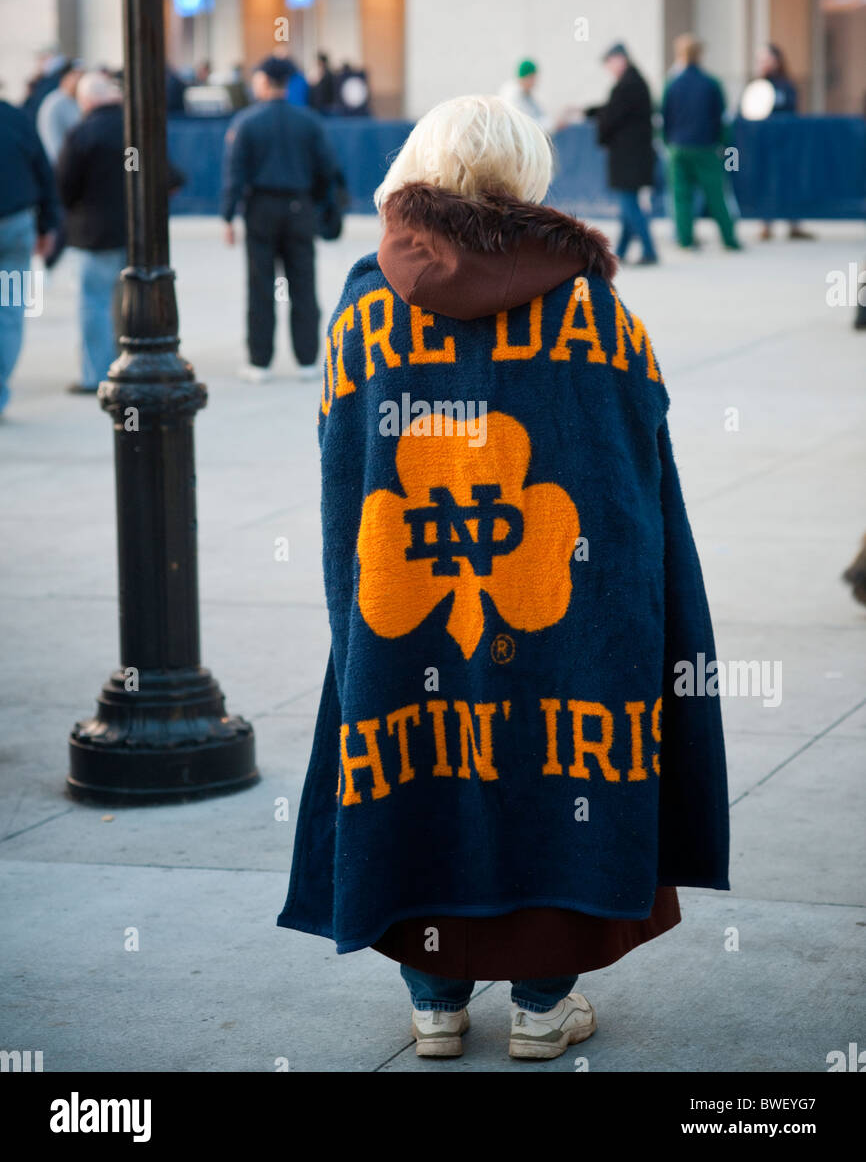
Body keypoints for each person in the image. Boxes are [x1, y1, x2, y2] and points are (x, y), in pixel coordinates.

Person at [276, 94, 730, 1061]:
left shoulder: (364, 313)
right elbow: (639, 471)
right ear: (528, 180)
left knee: (422, 768)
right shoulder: (596, 313)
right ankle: (540, 1003)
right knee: (556, 769)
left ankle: (436, 1001)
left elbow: (339, 465)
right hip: (562, 613)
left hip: (407, 612)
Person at [221, 55, 338, 381]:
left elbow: (235, 172)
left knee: (261, 286)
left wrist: (228, 216)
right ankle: (307, 361)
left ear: (262, 81)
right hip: (299, 208)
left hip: (261, 209)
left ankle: (260, 363)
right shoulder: (308, 121)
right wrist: (317, 206)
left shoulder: (246, 122)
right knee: (303, 283)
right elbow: (326, 169)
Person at [56, 72, 127, 394]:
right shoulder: (137, 129)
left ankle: (97, 375)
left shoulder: (83, 133)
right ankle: (129, 366)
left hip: (93, 232)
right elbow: (169, 176)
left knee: (94, 304)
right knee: (129, 302)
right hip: (134, 233)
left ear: (87, 100)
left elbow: (64, 186)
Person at [0, 98, 58, 414]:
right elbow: (43, 169)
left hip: (15, 226)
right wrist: (48, 225)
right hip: (14, 225)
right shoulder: (15, 118)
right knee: (8, 309)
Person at [662, 35, 741, 251]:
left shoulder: (672, 85)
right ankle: (729, 240)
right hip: (706, 148)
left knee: (681, 197)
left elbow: (664, 118)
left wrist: (668, 143)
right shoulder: (711, 84)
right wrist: (723, 144)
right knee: (716, 196)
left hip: (678, 148)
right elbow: (723, 119)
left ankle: (685, 240)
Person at [585, 43, 658, 265]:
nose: (608, 68)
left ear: (620, 59)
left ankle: (649, 250)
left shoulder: (628, 85)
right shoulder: (633, 82)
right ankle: (621, 253)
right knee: (628, 204)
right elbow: (613, 109)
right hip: (634, 157)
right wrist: (590, 111)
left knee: (629, 205)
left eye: (609, 62)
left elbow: (612, 116)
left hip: (629, 158)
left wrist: (595, 118)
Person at [746, 43, 813, 242]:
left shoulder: (786, 85)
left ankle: (794, 223)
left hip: (786, 145)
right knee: (765, 182)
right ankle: (765, 223)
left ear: (776, 61)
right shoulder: (756, 86)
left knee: (789, 182)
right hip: (763, 145)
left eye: (765, 59)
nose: (761, 64)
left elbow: (792, 110)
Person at [36, 59, 83, 163]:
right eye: (76, 75)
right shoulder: (54, 104)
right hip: (62, 165)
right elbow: (52, 142)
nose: (81, 79)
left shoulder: (78, 100)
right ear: (66, 77)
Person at [498, 58, 551, 131]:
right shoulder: (512, 96)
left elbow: (542, 116)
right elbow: (527, 124)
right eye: (533, 78)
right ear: (526, 77)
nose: (535, 82)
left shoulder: (529, 94)